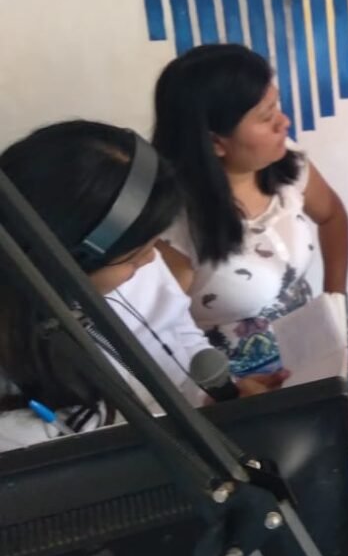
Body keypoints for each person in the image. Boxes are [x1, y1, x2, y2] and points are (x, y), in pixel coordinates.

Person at [0, 121, 279, 451]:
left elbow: (179, 332)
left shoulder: (130, 256)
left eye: (153, 244)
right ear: (65, 263)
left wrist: (214, 397)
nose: (151, 260)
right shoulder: (18, 387)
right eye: (133, 257)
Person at [152, 44, 348, 389]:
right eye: (266, 116)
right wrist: (227, 392)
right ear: (215, 143)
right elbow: (159, 337)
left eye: (277, 105)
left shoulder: (286, 164)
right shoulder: (177, 225)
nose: (283, 122)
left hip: (313, 352)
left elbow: (333, 216)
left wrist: (336, 305)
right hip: (242, 384)